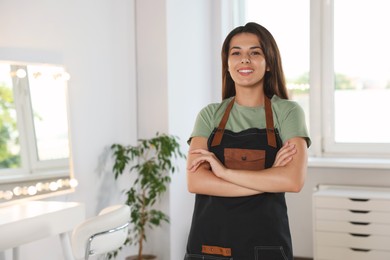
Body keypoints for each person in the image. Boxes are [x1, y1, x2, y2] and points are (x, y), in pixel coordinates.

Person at [184, 22, 311, 260]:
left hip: (266, 245)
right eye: (236, 53)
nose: (245, 59)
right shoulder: (209, 114)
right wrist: (270, 176)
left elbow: (293, 181)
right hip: (211, 244)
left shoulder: (288, 112)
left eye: (255, 52)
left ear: (269, 62)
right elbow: (196, 181)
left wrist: (222, 172)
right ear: (228, 64)